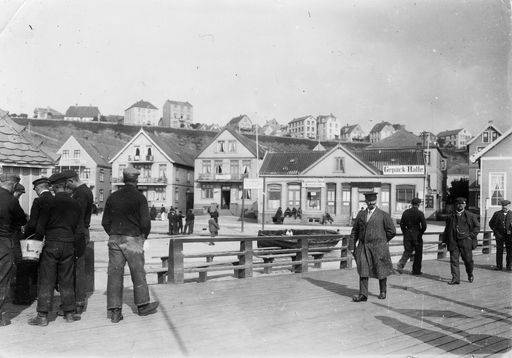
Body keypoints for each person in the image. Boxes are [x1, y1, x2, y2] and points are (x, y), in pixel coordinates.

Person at [101, 166, 158, 323]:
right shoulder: (140, 198)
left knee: (114, 273)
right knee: (138, 272)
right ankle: (142, 306)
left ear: (123, 179)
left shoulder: (112, 197)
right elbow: (145, 223)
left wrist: (114, 234)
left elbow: (105, 221)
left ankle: (114, 312)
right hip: (133, 239)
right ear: (136, 180)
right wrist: (143, 237)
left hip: (114, 239)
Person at [28, 172, 82, 326]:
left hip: (51, 243)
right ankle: (70, 314)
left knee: (47, 279)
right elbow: (79, 230)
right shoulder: (75, 203)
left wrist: (37, 243)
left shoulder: (48, 202)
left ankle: (43, 316)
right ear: (66, 186)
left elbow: (40, 228)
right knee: (67, 279)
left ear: (53, 187)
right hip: (69, 245)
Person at [350, 192, 396, 302]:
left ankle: (383, 291)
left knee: (381, 269)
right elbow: (354, 231)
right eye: (369, 202)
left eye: (373, 202)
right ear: (366, 202)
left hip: (379, 247)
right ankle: (363, 294)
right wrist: (352, 246)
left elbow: (392, 231)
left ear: (376, 202)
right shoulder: (361, 215)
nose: (371, 204)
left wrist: (382, 240)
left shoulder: (383, 215)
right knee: (363, 270)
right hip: (363, 247)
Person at [15, 177, 53, 305]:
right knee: (44, 268)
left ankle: (24, 298)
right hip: (51, 238)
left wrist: (25, 236)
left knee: (26, 267)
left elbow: (33, 223)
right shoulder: (55, 199)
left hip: (35, 239)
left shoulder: (39, 200)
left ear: (38, 188)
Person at [61, 170, 93, 315]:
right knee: (78, 266)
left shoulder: (80, 193)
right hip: (82, 231)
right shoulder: (86, 191)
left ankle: (77, 302)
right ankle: (77, 301)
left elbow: (77, 215)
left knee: (76, 268)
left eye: (66, 183)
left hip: (77, 233)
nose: (66, 187)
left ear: (71, 181)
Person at [0, 174, 27, 326]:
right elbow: (21, 220)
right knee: (3, 279)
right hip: (4, 242)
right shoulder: (11, 200)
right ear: (14, 185)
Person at [442, 197, 479, 285]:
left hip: (466, 241)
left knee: (468, 260)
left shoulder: (470, 215)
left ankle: (470, 273)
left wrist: (471, 236)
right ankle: (455, 279)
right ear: (456, 205)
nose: (460, 205)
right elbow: (447, 229)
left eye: (462, 204)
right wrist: (444, 240)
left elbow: (477, 227)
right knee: (454, 260)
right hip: (453, 241)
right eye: (458, 204)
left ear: (465, 205)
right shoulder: (450, 216)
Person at [397, 198, 427, 275]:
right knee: (418, 253)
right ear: (418, 204)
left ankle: (401, 264)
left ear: (412, 203)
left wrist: (405, 232)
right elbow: (424, 226)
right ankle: (416, 271)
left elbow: (401, 224)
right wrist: (420, 233)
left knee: (407, 251)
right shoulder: (420, 213)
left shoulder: (405, 212)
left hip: (407, 234)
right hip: (417, 235)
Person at [489, 199, 512, 271]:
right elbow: (491, 223)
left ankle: (509, 266)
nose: (504, 207)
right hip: (499, 235)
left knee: (510, 251)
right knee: (499, 250)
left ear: (509, 206)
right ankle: (499, 266)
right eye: (503, 206)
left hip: (509, 236)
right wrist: (495, 231)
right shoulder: (497, 214)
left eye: (506, 206)